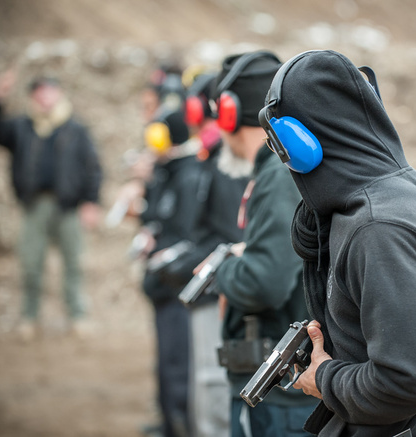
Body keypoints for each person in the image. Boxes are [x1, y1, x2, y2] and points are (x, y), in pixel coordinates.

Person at [261, 50, 416, 436]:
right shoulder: (396, 191)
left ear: (301, 143)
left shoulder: (378, 227)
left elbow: (414, 379)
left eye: (281, 144)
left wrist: (325, 378)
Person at [208, 50, 318, 437]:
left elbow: (264, 282)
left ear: (229, 115)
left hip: (281, 397)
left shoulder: (276, 175)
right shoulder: (280, 169)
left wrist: (225, 268)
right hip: (285, 387)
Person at [0, 69, 102, 340]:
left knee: (73, 264)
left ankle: (78, 316)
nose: (45, 96)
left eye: (49, 89)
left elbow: (93, 167)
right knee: (31, 263)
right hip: (35, 205)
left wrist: (91, 202)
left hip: (68, 206)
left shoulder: (75, 128)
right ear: (33, 96)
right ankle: (29, 317)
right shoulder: (21, 126)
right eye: (39, 91)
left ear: (58, 93)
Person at [179, 70, 250, 437]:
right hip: (215, 281)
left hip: (220, 288)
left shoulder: (227, 162)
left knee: (214, 382)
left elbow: (230, 231)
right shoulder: (215, 158)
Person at [133, 68, 196, 437]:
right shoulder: (168, 173)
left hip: (175, 290)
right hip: (161, 287)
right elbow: (157, 218)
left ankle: (178, 427)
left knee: (177, 366)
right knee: (165, 364)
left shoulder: (186, 176)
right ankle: (168, 424)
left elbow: (187, 235)